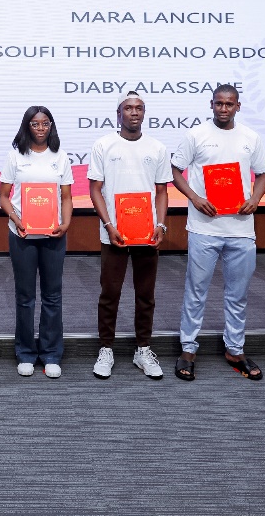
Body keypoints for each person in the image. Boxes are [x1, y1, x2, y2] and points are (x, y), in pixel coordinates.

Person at [170, 84, 265, 382]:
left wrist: (255, 199)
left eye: (229, 104)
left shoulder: (251, 137)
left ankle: (235, 349)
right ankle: (188, 348)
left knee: (238, 294)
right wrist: (195, 198)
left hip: (241, 230)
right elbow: (175, 171)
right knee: (196, 292)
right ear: (211, 104)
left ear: (238, 106)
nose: (223, 108)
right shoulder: (196, 135)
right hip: (204, 228)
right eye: (218, 103)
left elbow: (263, 175)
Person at [88, 89, 172, 380]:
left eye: (139, 108)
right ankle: (106, 349)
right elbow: (95, 190)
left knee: (145, 294)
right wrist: (109, 225)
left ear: (144, 113)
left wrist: (161, 225)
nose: (134, 112)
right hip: (114, 233)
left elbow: (162, 191)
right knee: (109, 293)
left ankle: (143, 349)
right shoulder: (103, 145)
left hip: (147, 234)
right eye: (128, 108)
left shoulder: (157, 148)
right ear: (119, 113)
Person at [0, 107, 74, 379]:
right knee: (25, 297)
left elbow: (66, 197)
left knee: (53, 296)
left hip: (54, 236)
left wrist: (66, 223)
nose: (40, 128)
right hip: (22, 235)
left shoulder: (60, 156)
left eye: (45, 123)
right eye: (35, 124)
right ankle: (26, 353)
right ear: (26, 126)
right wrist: (16, 219)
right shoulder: (15, 156)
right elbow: (3, 196)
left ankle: (51, 354)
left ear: (51, 126)